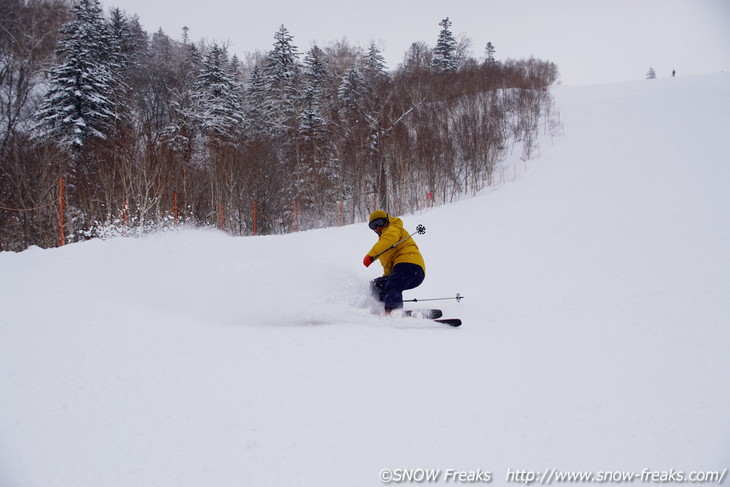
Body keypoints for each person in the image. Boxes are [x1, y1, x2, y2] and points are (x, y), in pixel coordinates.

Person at [362, 210, 426, 313]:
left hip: (410, 265)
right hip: (403, 271)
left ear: (386, 220)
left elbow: (389, 239)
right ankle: (381, 306)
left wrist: (371, 256)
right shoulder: (384, 246)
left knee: (393, 283)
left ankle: (393, 311)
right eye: (373, 225)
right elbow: (388, 269)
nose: (377, 227)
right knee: (377, 285)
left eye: (379, 222)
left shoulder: (394, 228)